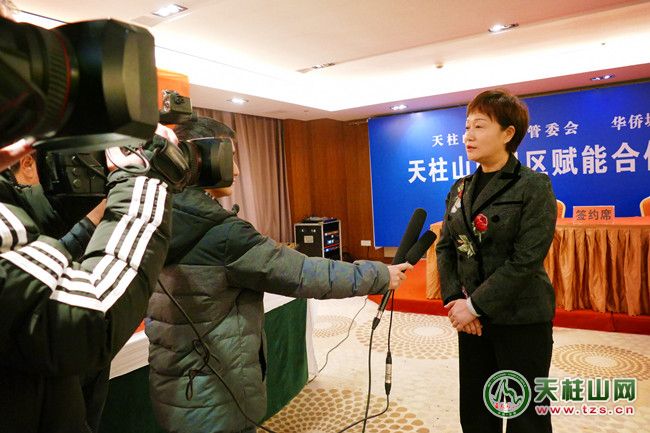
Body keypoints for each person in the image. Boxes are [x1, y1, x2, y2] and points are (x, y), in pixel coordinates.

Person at [145, 116, 412, 433]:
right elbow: (305, 273)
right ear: (202, 158)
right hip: (216, 395)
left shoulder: (145, 217)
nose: (237, 171)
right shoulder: (224, 236)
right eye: (231, 158)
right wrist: (380, 274)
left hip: (173, 386)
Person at [436, 89, 557, 433]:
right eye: (466, 127)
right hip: (471, 322)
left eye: (479, 126)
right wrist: (455, 300)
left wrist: (475, 305)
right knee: (476, 411)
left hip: (521, 318)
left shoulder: (533, 185)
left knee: (526, 416)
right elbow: (446, 247)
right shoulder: (459, 188)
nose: (468, 135)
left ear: (508, 133)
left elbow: (525, 260)